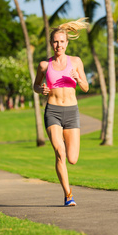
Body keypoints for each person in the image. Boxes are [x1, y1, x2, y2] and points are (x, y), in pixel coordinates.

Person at [33, 18, 89, 206]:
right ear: (51, 44)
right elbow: (35, 85)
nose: (59, 45)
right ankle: (68, 195)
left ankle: (68, 192)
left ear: (67, 43)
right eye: (55, 42)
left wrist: (78, 78)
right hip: (53, 112)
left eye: (62, 41)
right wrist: (41, 89)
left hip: (72, 112)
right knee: (60, 152)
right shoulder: (44, 65)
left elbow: (86, 87)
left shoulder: (76, 62)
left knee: (72, 159)